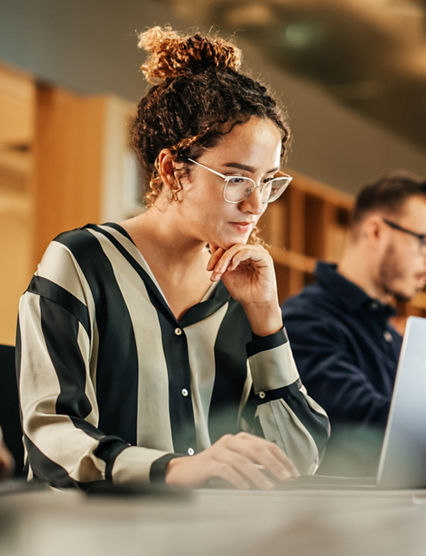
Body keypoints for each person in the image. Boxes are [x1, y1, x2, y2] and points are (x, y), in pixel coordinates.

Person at [16, 26, 329, 490]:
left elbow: (299, 460)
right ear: (171, 169)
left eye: (268, 181)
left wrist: (266, 318)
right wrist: (174, 470)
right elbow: (52, 439)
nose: (256, 203)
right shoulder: (81, 262)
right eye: (237, 179)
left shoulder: (240, 289)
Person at [282, 170, 426, 471]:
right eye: (422, 242)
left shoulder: (393, 337)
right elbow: (360, 423)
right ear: (376, 231)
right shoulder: (305, 321)